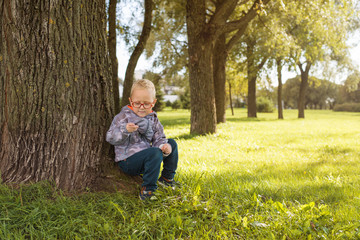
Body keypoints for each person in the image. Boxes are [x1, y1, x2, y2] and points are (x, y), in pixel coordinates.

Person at [106, 79, 179, 200]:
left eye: (146, 103)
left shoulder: (153, 119)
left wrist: (164, 147)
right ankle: (148, 190)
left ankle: (167, 179)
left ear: (153, 103)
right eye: (137, 103)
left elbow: (159, 138)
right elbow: (110, 137)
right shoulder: (123, 117)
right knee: (154, 153)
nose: (141, 107)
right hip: (128, 160)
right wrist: (125, 130)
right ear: (131, 101)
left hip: (148, 157)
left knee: (172, 143)